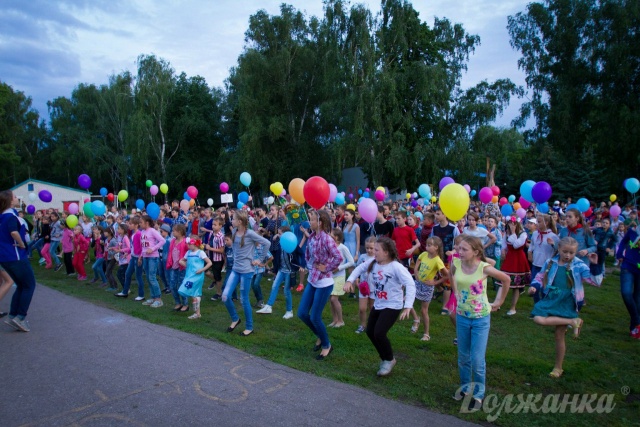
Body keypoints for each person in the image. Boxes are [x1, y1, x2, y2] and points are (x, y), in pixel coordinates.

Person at [451, 235, 510, 408]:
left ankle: (479, 394)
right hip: (462, 316)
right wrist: (456, 292)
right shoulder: (456, 263)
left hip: (480, 318)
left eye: (464, 249)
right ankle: (465, 388)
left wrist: (499, 302)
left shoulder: (484, 268)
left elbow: (506, 280)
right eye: (459, 248)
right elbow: (451, 274)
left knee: (477, 359)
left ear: (476, 252)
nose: (459, 252)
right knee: (463, 357)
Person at [344, 237, 416, 376]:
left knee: (379, 333)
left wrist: (407, 306)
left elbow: (410, 284)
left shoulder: (396, 267)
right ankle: (385, 358)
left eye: (377, 250)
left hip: (393, 305)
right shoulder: (373, 262)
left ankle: (389, 359)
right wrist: (349, 281)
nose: (374, 252)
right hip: (379, 304)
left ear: (386, 252)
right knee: (370, 332)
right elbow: (359, 268)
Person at [531, 237, 600, 377]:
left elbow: (595, 282)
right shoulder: (550, 262)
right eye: (565, 252)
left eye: (571, 253)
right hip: (551, 298)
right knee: (538, 318)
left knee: (559, 335)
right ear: (559, 249)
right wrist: (534, 286)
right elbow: (540, 276)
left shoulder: (579, 265)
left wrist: (595, 265)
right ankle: (572, 322)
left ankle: (558, 367)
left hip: (568, 301)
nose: (568, 255)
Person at [297, 209, 342, 360]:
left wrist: (326, 267)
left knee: (315, 317)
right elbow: (308, 254)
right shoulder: (311, 237)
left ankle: (326, 345)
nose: (310, 222)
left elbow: (338, 257)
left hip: (324, 282)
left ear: (320, 222)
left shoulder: (327, 239)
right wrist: (309, 265)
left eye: (312, 220)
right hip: (312, 279)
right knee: (302, 313)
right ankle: (320, 336)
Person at [222, 210, 271, 336]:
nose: (231, 220)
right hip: (235, 269)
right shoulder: (233, 232)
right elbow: (235, 249)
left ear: (240, 221)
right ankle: (235, 319)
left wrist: (259, 259)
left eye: (233, 219)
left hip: (247, 272)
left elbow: (267, 243)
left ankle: (249, 327)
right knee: (225, 296)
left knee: (244, 300)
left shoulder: (250, 234)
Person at [0, 190, 36, 332]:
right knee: (29, 285)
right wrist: (21, 244)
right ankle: (20, 317)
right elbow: (13, 232)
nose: (17, 198)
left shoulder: (2, 216)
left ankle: (13, 315)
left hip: (5, 257)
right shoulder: (10, 217)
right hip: (15, 256)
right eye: (14, 197)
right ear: (9, 201)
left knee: (21, 285)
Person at [413, 236, 449, 341]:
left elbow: (446, 275)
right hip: (417, 283)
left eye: (429, 245)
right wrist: (416, 271)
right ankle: (416, 319)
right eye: (427, 244)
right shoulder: (424, 254)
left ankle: (426, 334)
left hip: (427, 287)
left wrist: (435, 282)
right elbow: (418, 261)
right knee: (407, 301)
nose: (426, 247)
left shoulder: (437, 261)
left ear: (436, 247)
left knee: (424, 310)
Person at [258, 226, 295, 318]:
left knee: (286, 291)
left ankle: (289, 311)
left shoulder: (291, 244)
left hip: (289, 271)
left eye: (280, 233)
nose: (278, 235)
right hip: (281, 270)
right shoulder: (280, 244)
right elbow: (278, 258)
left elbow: (298, 257)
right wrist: (275, 269)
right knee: (274, 286)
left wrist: (299, 266)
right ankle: (268, 306)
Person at [498, 216, 531, 315]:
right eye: (509, 224)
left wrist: (513, 233)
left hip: (519, 259)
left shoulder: (523, 234)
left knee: (516, 285)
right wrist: (503, 250)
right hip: (509, 258)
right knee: (502, 281)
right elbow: (504, 243)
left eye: (513, 224)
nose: (511, 226)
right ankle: (498, 302)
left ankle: (513, 307)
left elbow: (516, 244)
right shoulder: (507, 232)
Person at [178, 236, 212, 319]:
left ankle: (197, 309)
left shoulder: (200, 253)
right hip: (189, 275)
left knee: (189, 290)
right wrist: (187, 265)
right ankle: (197, 309)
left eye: (189, 244)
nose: (188, 245)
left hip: (197, 276)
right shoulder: (188, 253)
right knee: (186, 291)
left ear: (195, 244)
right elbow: (181, 260)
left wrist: (202, 270)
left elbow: (209, 263)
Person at [616, 226, 640, 339]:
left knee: (638, 301)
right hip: (628, 266)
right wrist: (620, 253)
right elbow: (624, 241)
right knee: (626, 293)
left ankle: (634, 329)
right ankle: (637, 320)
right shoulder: (633, 231)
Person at [328, 228, 355, 328]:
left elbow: (351, 261)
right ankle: (335, 320)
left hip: (339, 276)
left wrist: (339, 268)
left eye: (331, 235)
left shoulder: (343, 248)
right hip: (330, 276)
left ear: (337, 238)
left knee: (334, 299)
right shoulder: (330, 247)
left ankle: (341, 320)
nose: (329, 236)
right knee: (331, 299)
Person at [354, 236, 376, 333]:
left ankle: (372, 325)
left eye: (371, 248)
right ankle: (362, 325)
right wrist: (357, 279)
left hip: (374, 286)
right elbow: (358, 269)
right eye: (367, 248)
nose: (369, 250)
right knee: (362, 308)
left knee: (372, 307)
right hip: (363, 286)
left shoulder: (377, 258)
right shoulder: (363, 257)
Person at [206, 217, 225, 299]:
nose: (213, 226)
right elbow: (209, 243)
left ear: (220, 226)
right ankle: (215, 280)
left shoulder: (221, 236)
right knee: (205, 271)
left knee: (218, 275)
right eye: (212, 224)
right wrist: (207, 249)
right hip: (210, 256)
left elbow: (221, 250)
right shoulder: (211, 233)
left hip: (218, 259)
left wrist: (210, 249)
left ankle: (219, 293)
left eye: (215, 225)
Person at [114, 223, 130, 294]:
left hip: (126, 259)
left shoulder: (125, 237)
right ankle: (126, 289)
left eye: (119, 229)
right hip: (121, 258)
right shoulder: (119, 236)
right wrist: (113, 248)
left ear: (123, 230)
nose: (117, 230)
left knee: (119, 274)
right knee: (122, 274)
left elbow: (129, 248)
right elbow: (118, 245)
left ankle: (126, 289)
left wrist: (120, 250)